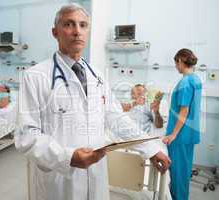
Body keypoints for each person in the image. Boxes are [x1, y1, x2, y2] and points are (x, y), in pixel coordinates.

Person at [15, 3, 170, 200]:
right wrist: (68, 157)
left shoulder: (97, 75)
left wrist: (150, 148)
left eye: (83, 25)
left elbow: (116, 118)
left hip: (96, 174)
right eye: (69, 24)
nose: (77, 31)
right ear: (55, 32)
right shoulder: (34, 76)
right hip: (59, 179)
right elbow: (26, 135)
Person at [162, 48, 202, 200]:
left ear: (180, 61)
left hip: (180, 136)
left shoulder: (185, 82)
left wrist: (173, 134)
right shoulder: (196, 79)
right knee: (184, 171)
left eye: (176, 63)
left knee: (177, 173)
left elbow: (184, 111)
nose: (175, 66)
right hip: (190, 134)